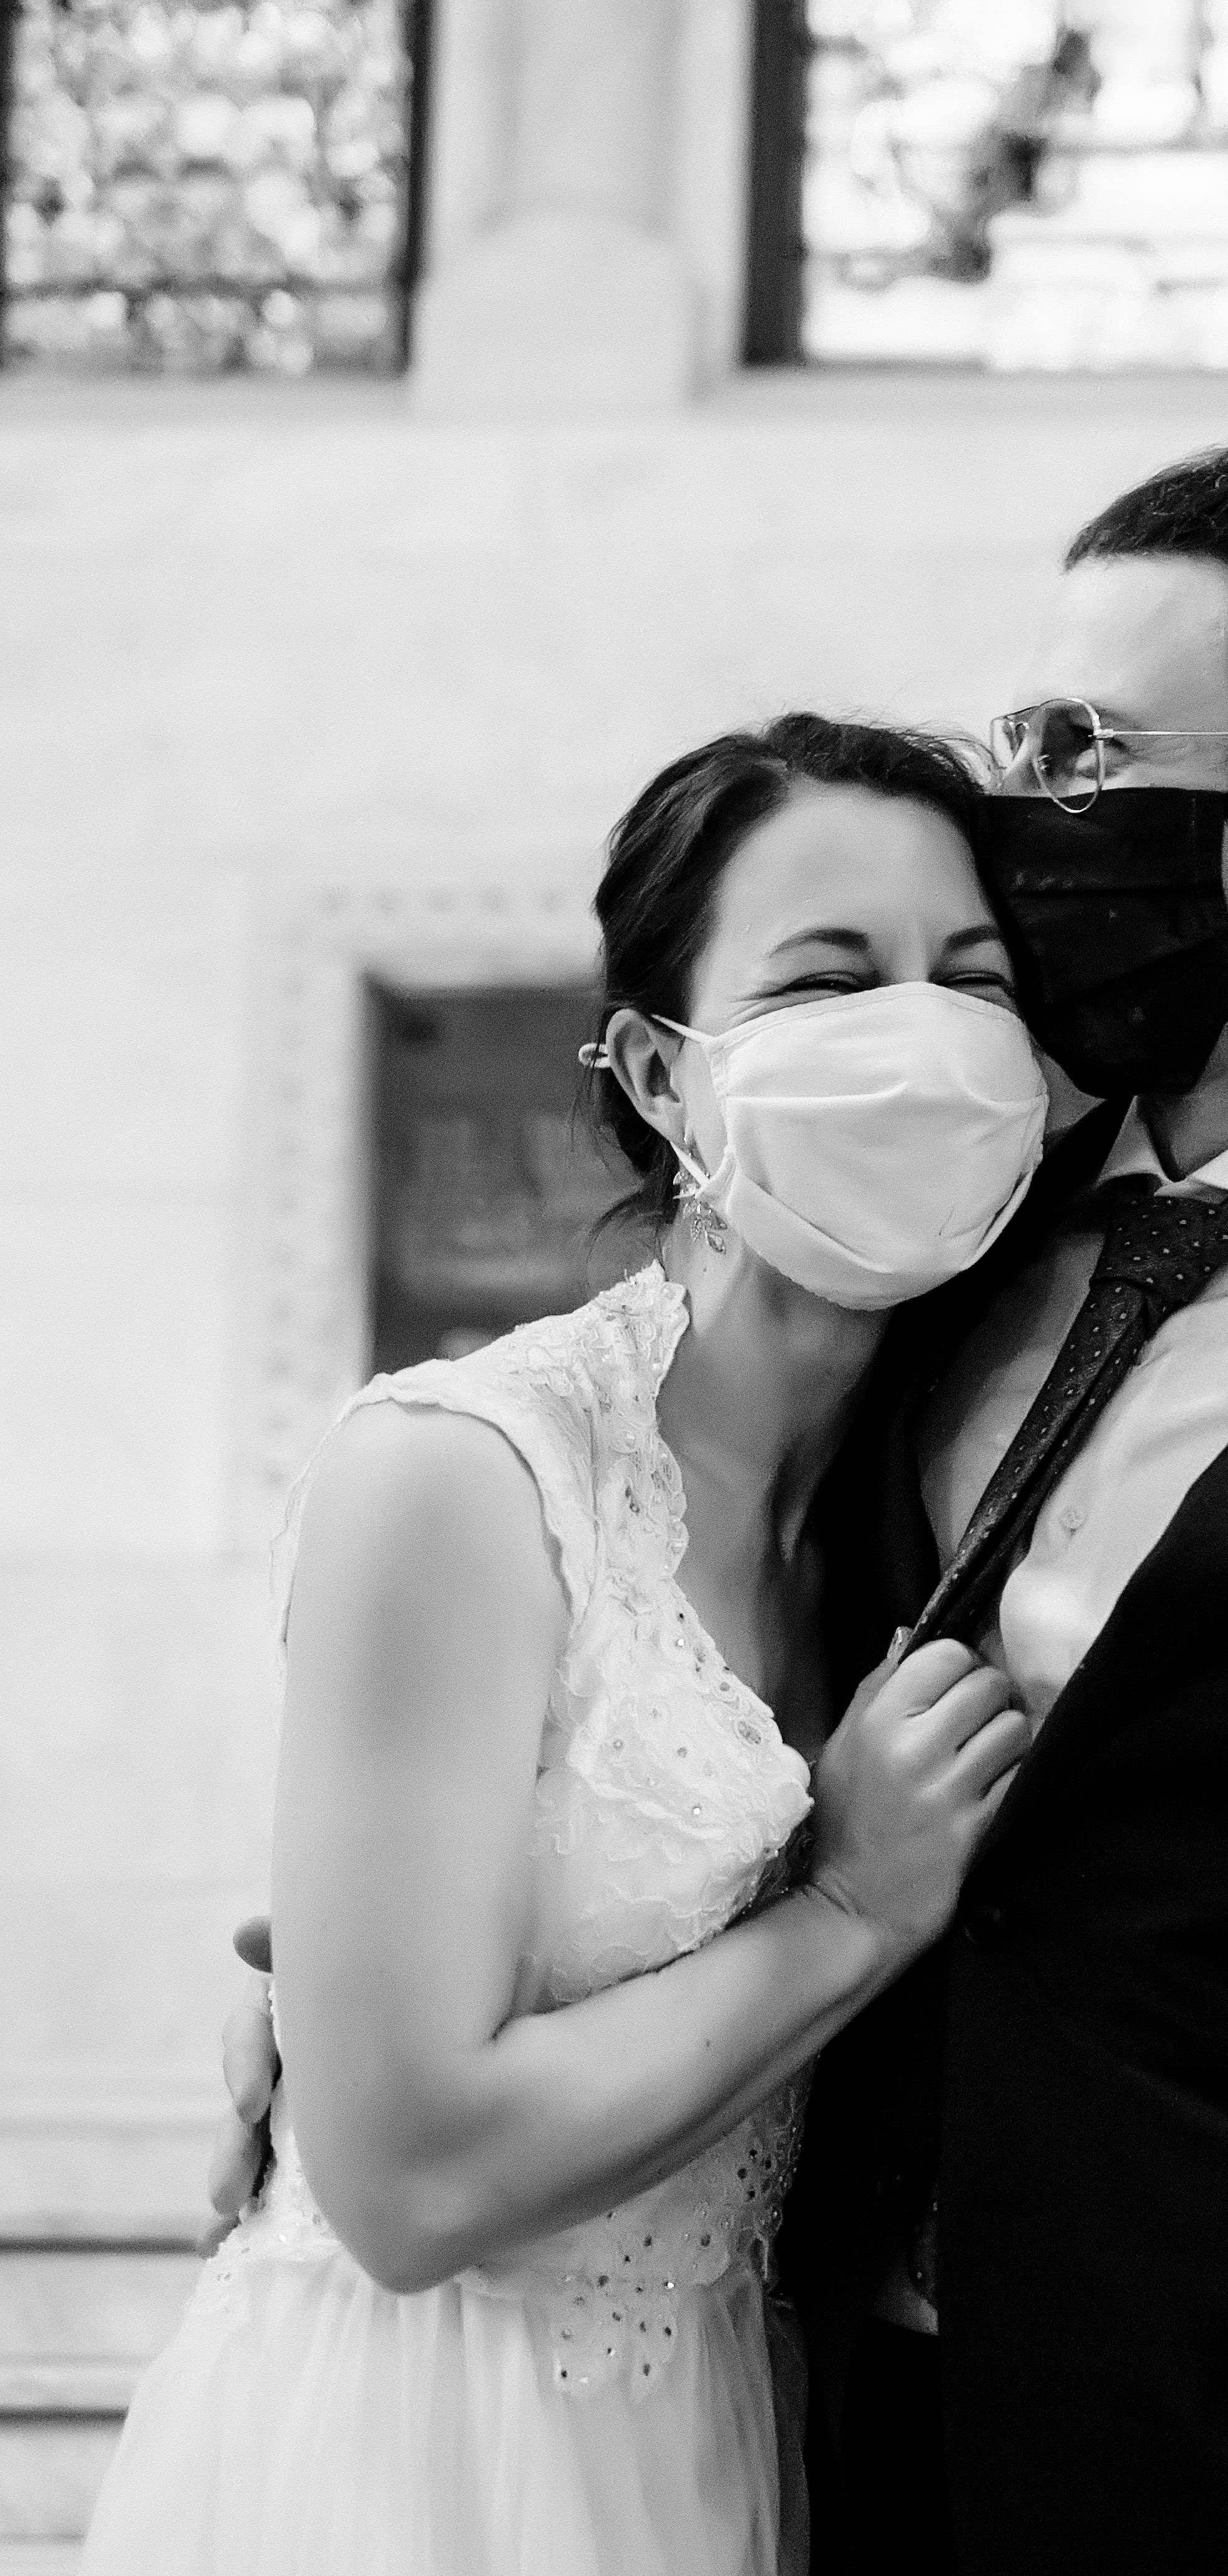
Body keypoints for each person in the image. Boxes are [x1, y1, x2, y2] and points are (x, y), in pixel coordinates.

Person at [211, 440, 1228, 2575]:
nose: (1043, 818)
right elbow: (674, 1652)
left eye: (1087, 752)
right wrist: (360, 1970)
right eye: (1021, 748)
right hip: (834, 2454)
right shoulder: (946, 1242)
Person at [94, 715, 1042, 2576]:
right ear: (659, 1075)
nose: (919, 1034)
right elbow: (405, 2179)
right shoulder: (463, 1475)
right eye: (828, 982)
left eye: (976, 979)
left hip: (727, 2422)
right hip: (421, 2453)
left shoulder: (933, 1492)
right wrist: (849, 1909)